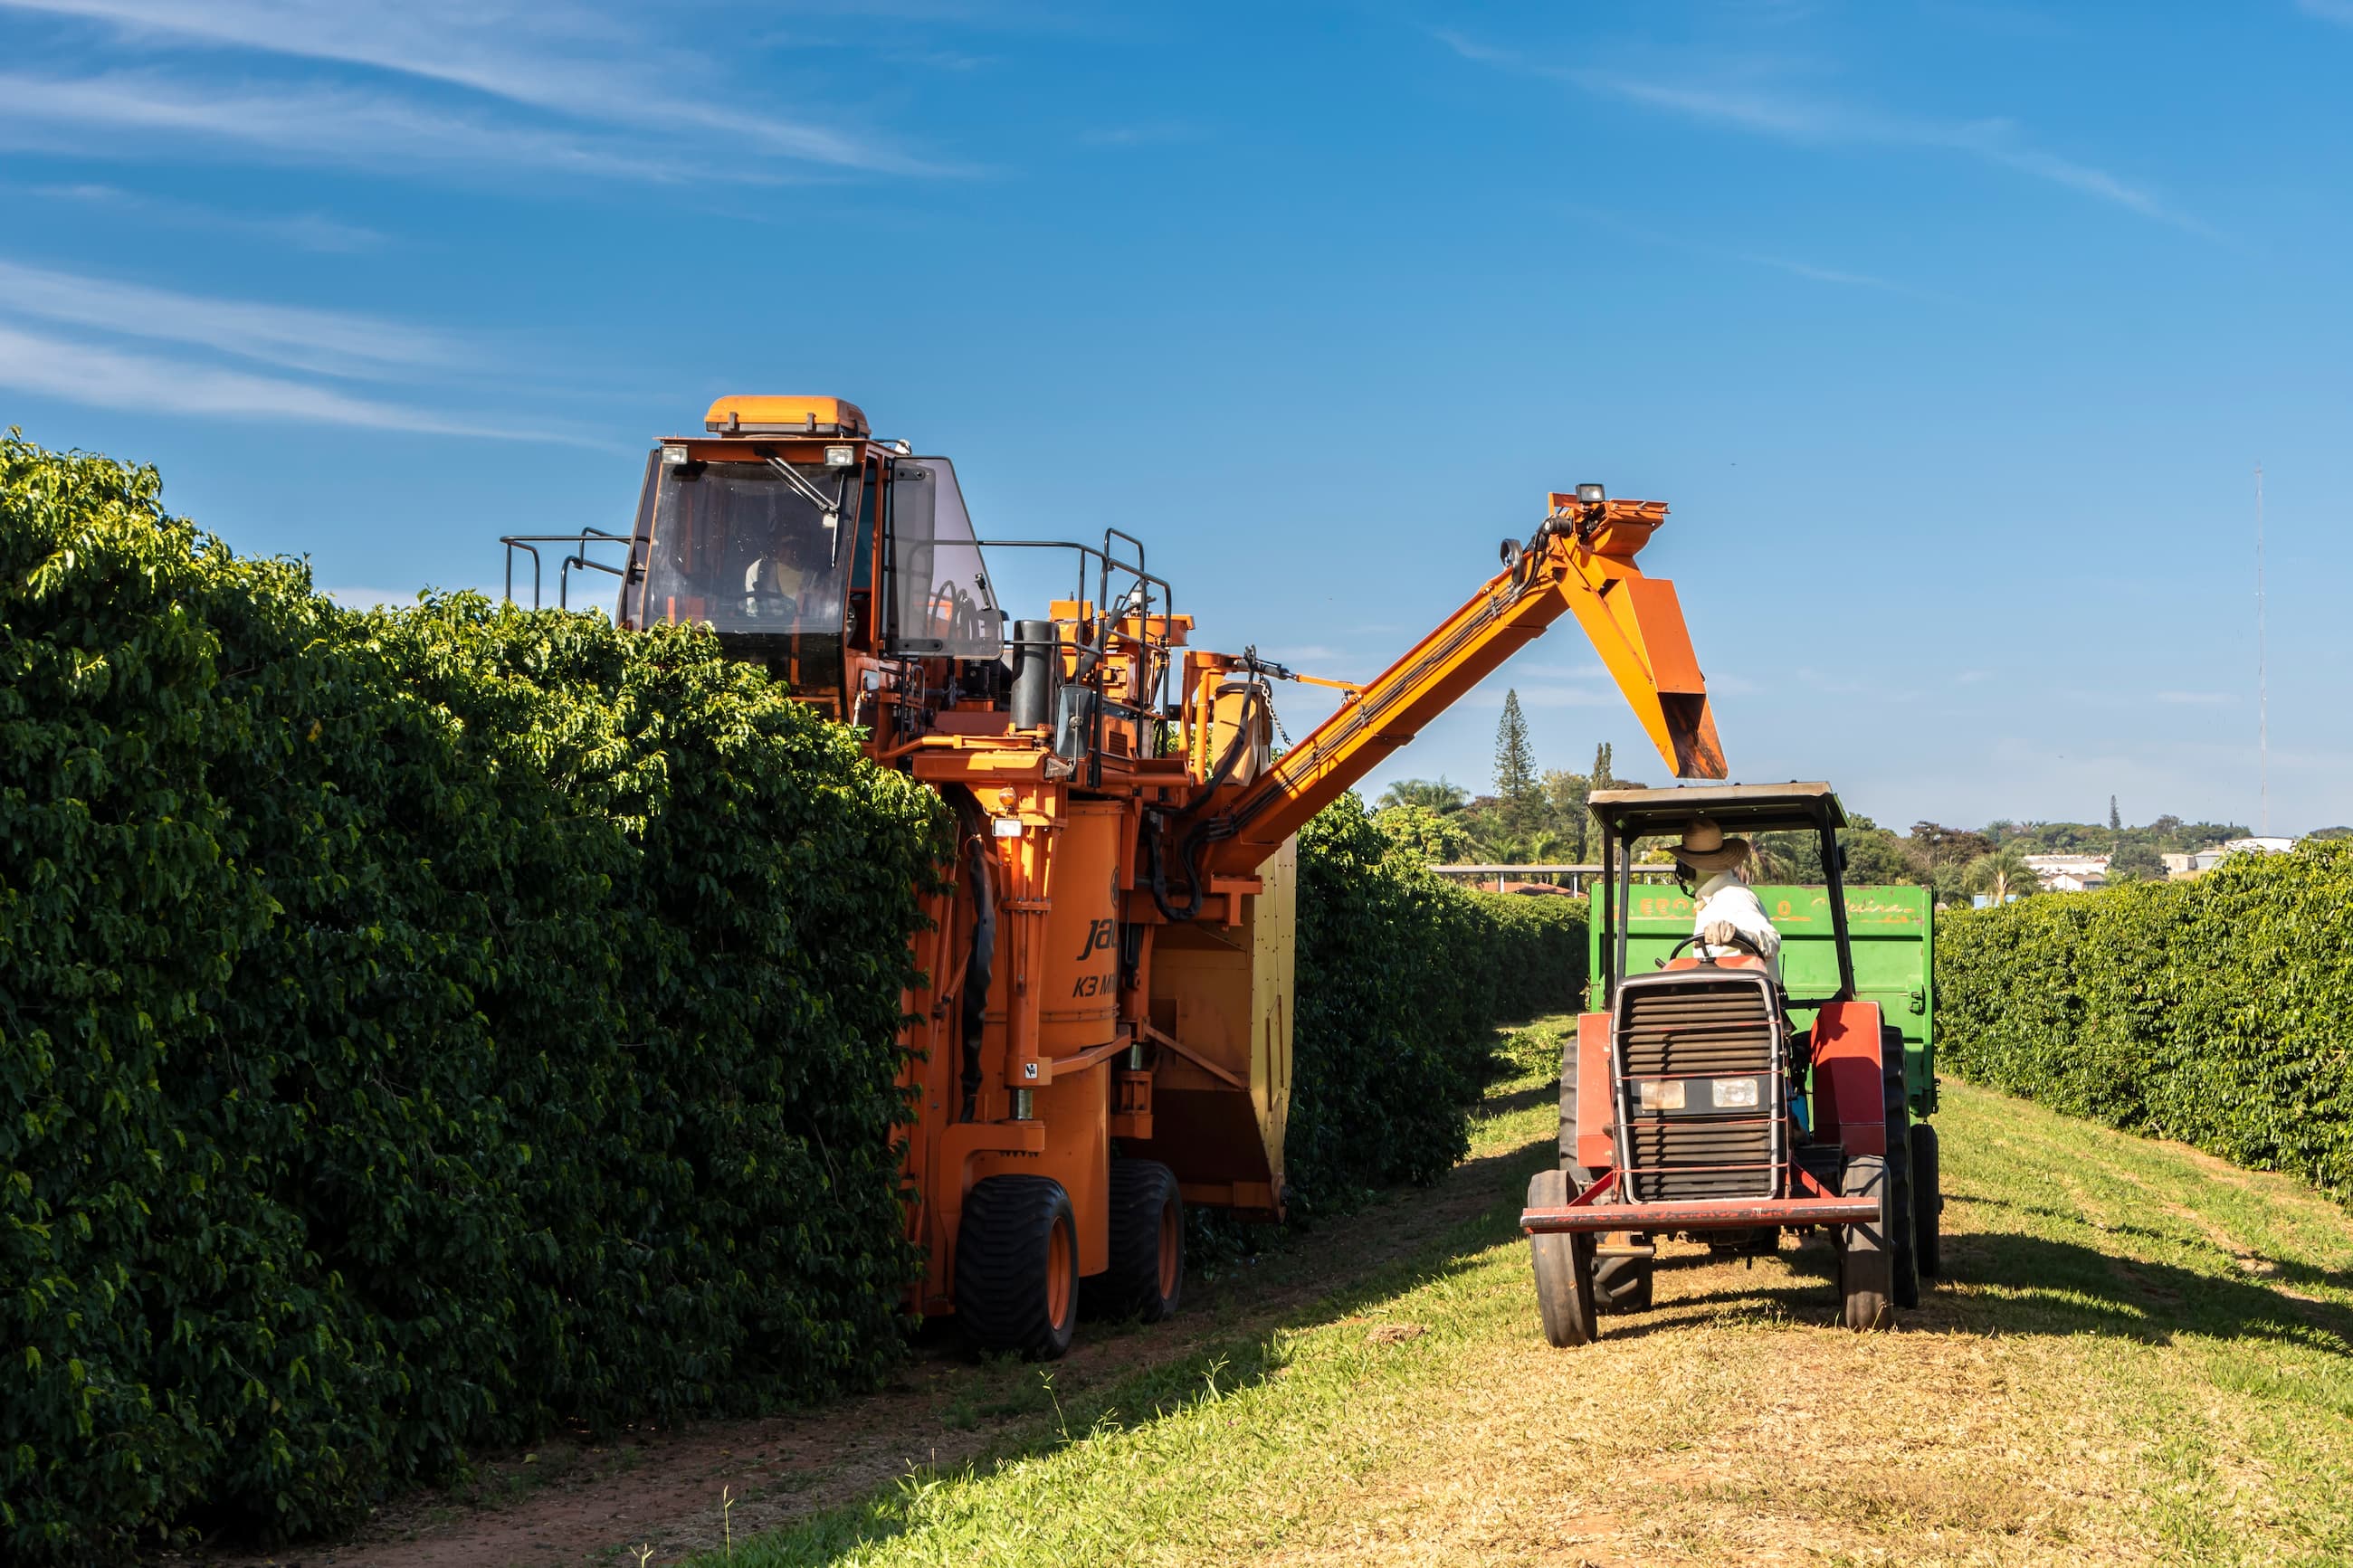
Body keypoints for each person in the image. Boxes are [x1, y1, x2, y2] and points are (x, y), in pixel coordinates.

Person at [1674, 819, 1782, 984]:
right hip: (1724, 998)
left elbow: (1771, 940)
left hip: (1745, 1003)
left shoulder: (1732, 895)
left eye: (1682, 861)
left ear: (1688, 866)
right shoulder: (1712, 898)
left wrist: (1739, 935)